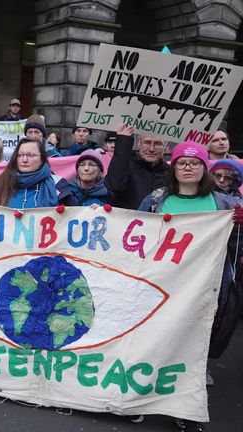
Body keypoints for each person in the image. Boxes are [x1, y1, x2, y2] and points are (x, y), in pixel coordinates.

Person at [138, 142, 243, 432]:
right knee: (155, 343)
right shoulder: (155, 200)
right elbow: (135, 235)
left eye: (194, 163)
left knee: (191, 348)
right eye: (182, 162)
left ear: (204, 168)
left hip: (204, 289)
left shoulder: (224, 204)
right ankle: (140, 397)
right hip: (161, 285)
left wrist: (240, 226)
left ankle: (184, 409)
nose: (188, 167)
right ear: (173, 168)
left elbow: (235, 249)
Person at [0, 137, 74, 210]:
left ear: (42, 159)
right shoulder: (2, 183)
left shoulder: (58, 185)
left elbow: (73, 216)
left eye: (31, 155)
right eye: (20, 155)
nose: (24, 160)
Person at [105, 124, 170, 210]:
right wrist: (123, 142)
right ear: (139, 143)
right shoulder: (125, 164)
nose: (151, 149)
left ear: (166, 146)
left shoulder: (171, 173)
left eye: (158, 144)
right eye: (147, 142)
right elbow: (115, 185)